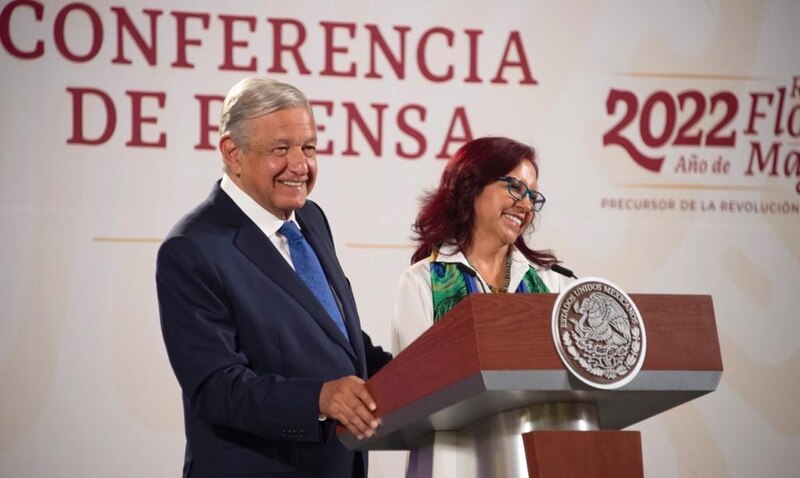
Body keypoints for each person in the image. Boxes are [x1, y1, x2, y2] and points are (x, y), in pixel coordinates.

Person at [156, 77, 392, 478]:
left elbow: (335, 340)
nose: (300, 166)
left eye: (309, 148)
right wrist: (319, 398)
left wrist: (425, 372)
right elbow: (217, 388)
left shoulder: (311, 219)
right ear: (233, 153)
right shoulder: (193, 248)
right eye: (281, 149)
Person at [391, 137, 567, 476]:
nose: (525, 205)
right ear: (471, 184)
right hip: (452, 463)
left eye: (532, 196)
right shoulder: (423, 282)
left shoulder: (551, 284)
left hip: (536, 462)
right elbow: (414, 396)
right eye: (515, 188)